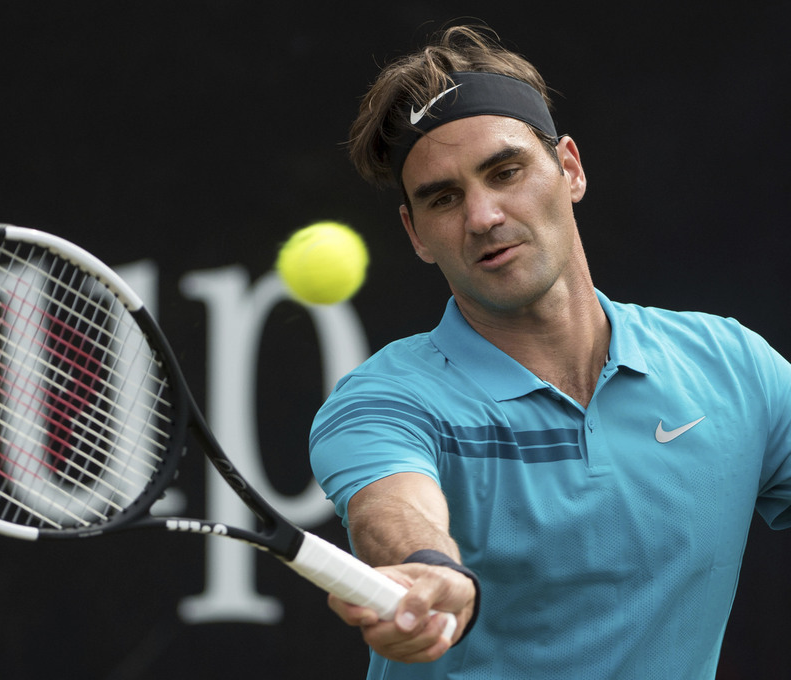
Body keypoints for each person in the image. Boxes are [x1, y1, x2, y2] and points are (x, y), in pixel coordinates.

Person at [309, 24, 791, 679]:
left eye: (505, 171)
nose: (482, 216)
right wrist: (427, 570)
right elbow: (391, 508)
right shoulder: (383, 401)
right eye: (443, 198)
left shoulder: (733, 368)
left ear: (569, 169)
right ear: (415, 233)